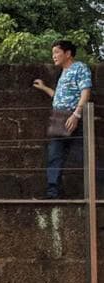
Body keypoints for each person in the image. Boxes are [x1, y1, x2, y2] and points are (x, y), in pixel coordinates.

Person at [33, 39, 93, 199]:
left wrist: (76, 114)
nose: (54, 56)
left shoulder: (79, 67)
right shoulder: (63, 73)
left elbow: (85, 92)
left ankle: (85, 193)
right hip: (59, 116)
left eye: (57, 52)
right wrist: (44, 87)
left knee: (76, 155)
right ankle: (54, 193)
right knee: (54, 154)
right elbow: (59, 97)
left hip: (72, 116)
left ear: (68, 53)